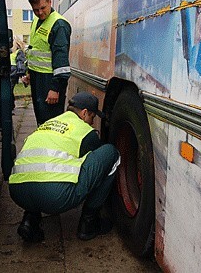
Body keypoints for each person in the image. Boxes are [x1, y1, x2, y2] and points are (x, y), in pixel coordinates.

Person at [8, 92, 120, 242]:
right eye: (92, 117)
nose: (92, 123)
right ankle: (89, 224)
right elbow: (96, 166)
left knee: (38, 173)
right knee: (110, 153)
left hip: (17, 192)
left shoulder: (48, 124)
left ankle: (30, 220)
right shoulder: (84, 131)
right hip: (54, 197)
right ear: (84, 113)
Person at [21, 0, 72, 125]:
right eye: (36, 10)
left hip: (50, 81)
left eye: (43, 8)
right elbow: (35, 51)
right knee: (41, 119)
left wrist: (55, 88)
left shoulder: (59, 25)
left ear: (50, 2)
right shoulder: (36, 22)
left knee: (51, 122)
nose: (40, 13)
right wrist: (30, 73)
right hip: (38, 79)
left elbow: (61, 62)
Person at [10, 38, 27, 110]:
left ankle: (10, 106)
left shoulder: (18, 52)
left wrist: (21, 74)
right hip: (11, 73)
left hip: (13, 73)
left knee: (9, 90)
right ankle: (10, 105)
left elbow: (20, 63)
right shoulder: (11, 52)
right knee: (9, 90)